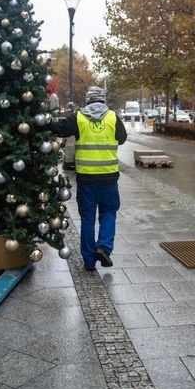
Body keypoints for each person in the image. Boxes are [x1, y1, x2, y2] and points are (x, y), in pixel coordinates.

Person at [48, 86, 127, 271]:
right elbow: (122, 138)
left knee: (88, 218)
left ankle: (89, 261)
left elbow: (59, 129)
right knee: (109, 212)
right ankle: (104, 247)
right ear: (103, 100)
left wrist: (42, 121)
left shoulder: (79, 117)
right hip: (109, 178)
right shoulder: (112, 117)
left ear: (88, 100)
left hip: (86, 179)